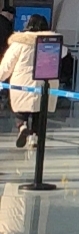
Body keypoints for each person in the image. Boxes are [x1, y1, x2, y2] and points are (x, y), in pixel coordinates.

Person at [1, 16, 55, 148]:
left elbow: (8, 64)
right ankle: (34, 138)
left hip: (22, 82)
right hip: (45, 81)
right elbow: (63, 54)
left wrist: (1, 77)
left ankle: (22, 126)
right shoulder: (51, 42)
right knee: (39, 112)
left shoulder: (19, 43)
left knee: (20, 110)